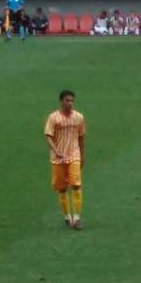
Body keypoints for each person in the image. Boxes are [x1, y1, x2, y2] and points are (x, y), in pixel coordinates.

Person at [45, 90, 86, 230]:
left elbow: (81, 137)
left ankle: (77, 218)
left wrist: (82, 155)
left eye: (72, 101)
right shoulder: (53, 118)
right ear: (61, 101)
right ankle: (67, 216)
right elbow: (48, 136)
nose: (70, 103)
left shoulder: (79, 117)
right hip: (58, 158)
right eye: (68, 100)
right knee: (62, 189)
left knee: (76, 185)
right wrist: (56, 151)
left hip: (74, 155)